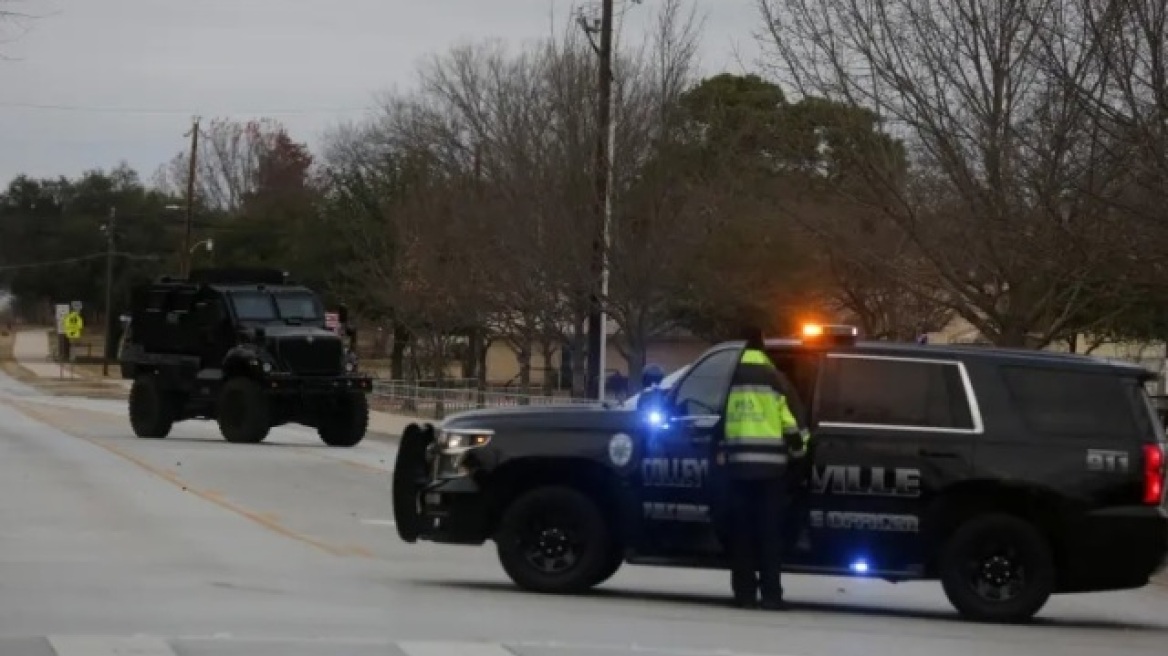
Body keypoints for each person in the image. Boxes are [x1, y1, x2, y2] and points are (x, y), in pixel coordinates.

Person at [721, 325, 811, 610]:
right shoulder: (776, 379)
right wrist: (799, 453)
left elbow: (715, 422)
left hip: (737, 471)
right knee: (770, 535)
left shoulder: (728, 378)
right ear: (763, 346)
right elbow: (792, 425)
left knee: (742, 534)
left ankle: (744, 594)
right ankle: (772, 595)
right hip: (772, 472)